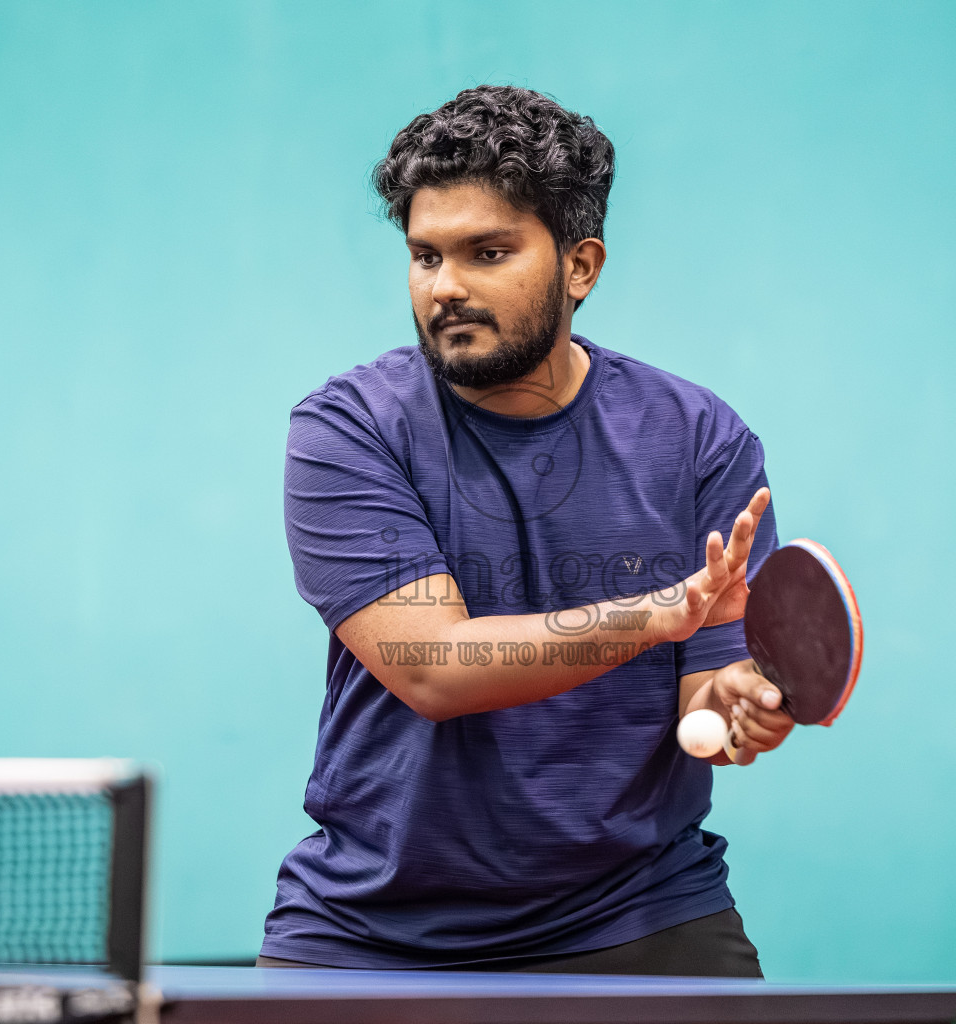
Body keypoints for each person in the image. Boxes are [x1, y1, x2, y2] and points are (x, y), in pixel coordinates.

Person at [260, 85, 794, 977]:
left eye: (488, 252)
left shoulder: (700, 436)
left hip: (640, 911)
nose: (446, 286)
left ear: (580, 266)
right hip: (375, 931)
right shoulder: (349, 427)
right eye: (425, 256)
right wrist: (659, 615)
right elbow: (434, 668)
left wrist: (737, 707)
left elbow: (708, 695)